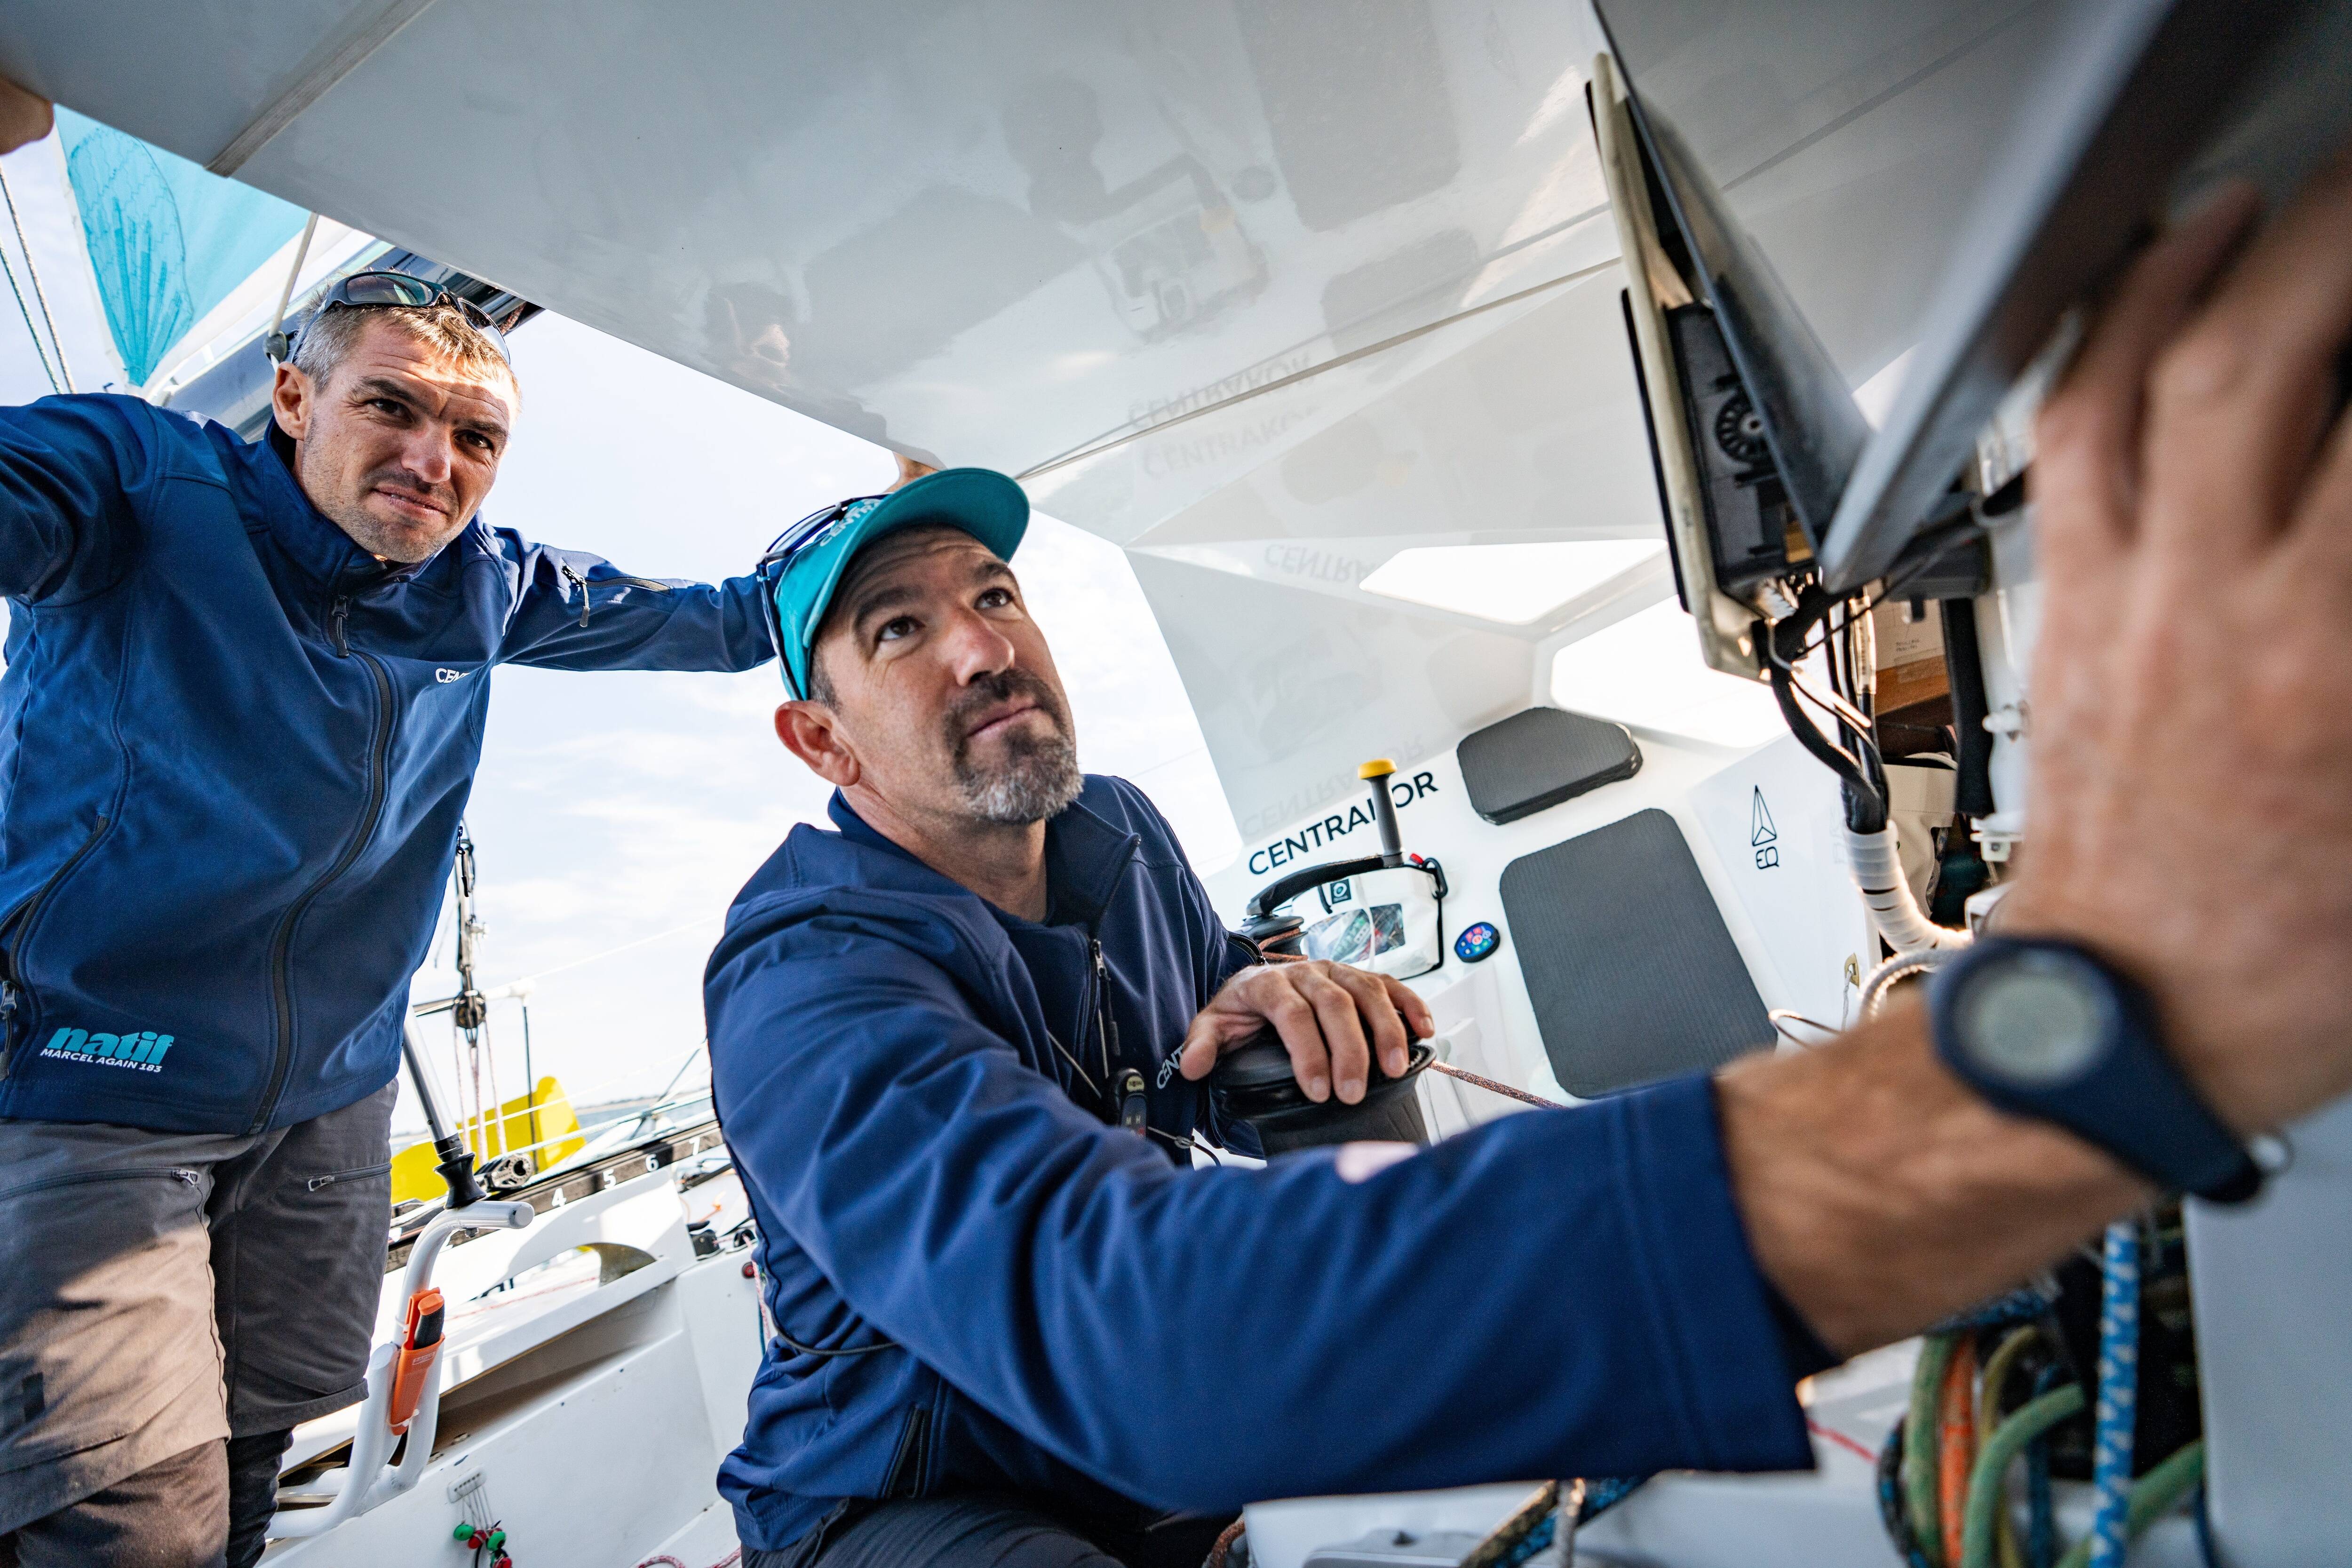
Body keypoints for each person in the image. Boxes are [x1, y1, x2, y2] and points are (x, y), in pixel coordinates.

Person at [705, 155, 2352, 1568]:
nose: (981, 646)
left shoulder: (1115, 828)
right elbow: (1127, 1328)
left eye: (994, 593)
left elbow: (1197, 1048)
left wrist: (1279, 995)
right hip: (899, 1503)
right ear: (823, 742)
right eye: (899, 630)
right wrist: (2043, 1073)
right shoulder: (806, 987)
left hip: (1131, 1471)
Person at [0, 111, 782, 1568]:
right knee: (124, 1523)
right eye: (393, 410)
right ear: (292, 398)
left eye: (475, 437)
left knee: (249, 1459)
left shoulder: (488, 586)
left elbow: (731, 619)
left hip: (325, 1103)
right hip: (84, 1087)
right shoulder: (132, 481)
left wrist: (889, 536)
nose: (435, 460)